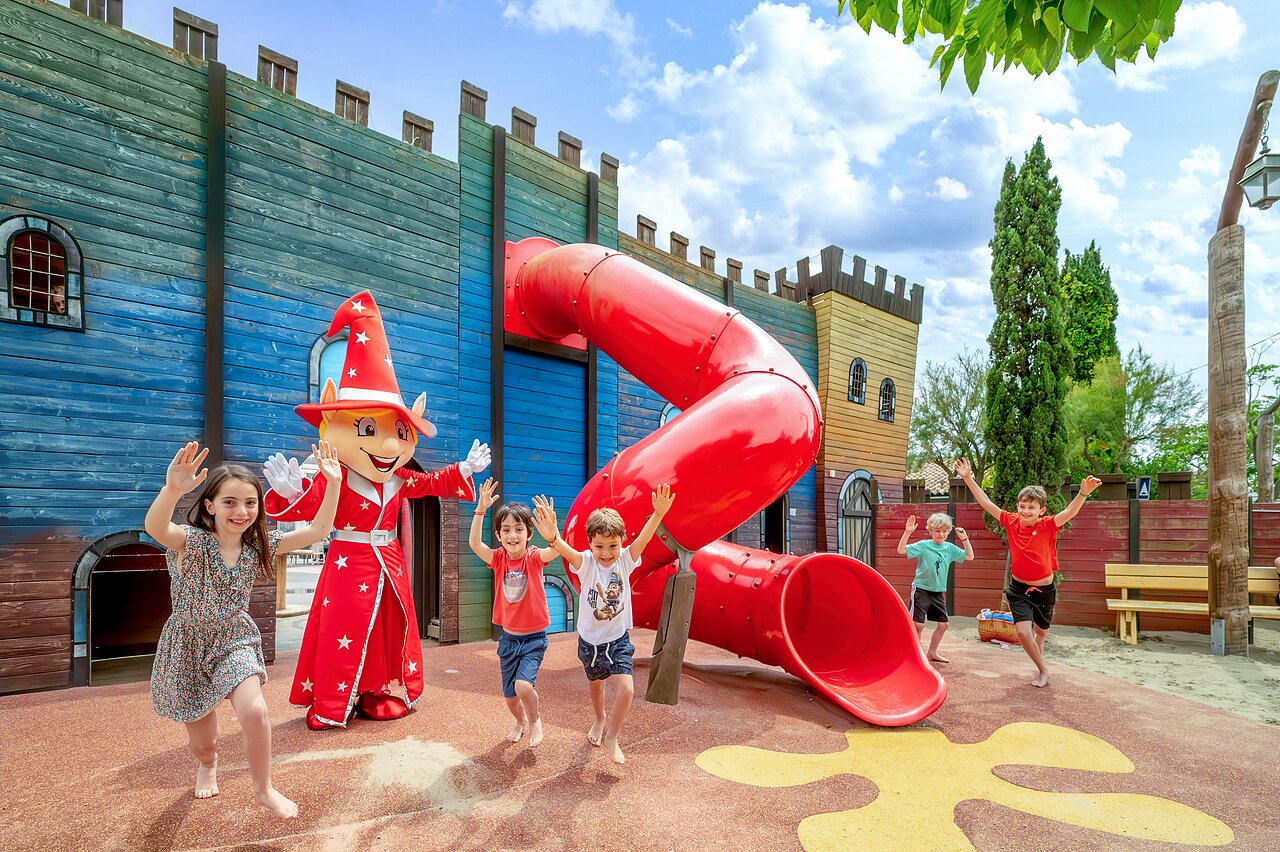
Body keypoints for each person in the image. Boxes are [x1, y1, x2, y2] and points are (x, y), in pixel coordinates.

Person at [145, 440, 342, 817]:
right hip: (187, 643)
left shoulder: (258, 548)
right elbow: (156, 527)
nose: (241, 511)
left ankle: (264, 789)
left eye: (250, 503)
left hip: (233, 639)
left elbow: (319, 530)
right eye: (230, 502)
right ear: (209, 506)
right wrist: (171, 490)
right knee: (204, 741)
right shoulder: (193, 542)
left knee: (255, 712)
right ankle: (207, 764)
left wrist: (332, 484)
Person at [532, 484, 676, 765]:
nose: (607, 552)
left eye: (613, 545)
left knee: (627, 689)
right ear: (590, 544)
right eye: (599, 546)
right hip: (590, 642)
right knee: (596, 685)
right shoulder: (587, 563)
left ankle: (612, 736)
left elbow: (643, 541)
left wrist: (658, 515)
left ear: (621, 541)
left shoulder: (625, 560)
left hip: (618, 639)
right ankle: (599, 718)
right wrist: (553, 538)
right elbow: (569, 553)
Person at [954, 458, 1101, 687]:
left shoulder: (1048, 524)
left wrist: (1082, 493)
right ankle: (1043, 670)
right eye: (1022, 506)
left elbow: (1069, 513)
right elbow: (986, 503)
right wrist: (967, 478)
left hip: (1044, 589)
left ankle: (1038, 650)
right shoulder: (1011, 521)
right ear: (1017, 507)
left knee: (1041, 633)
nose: (1025, 511)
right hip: (1019, 588)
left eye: (1031, 507)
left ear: (1041, 510)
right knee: (1023, 632)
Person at [468, 478, 555, 747]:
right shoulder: (498, 559)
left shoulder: (533, 557)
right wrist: (480, 510)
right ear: (499, 536)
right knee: (509, 697)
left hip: (533, 639)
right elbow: (474, 544)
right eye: (506, 530)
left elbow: (553, 551)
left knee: (523, 686)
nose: (512, 535)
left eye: (519, 529)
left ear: (529, 534)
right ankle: (519, 721)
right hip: (508, 640)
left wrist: (553, 534)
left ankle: (535, 719)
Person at [896, 512, 973, 664]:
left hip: (937, 591)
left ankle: (932, 652)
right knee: (918, 624)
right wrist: (907, 532)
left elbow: (969, 556)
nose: (941, 534)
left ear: (949, 532)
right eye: (937, 531)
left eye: (944, 531)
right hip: (920, 589)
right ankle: (915, 655)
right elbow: (901, 550)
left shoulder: (950, 549)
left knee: (943, 625)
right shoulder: (924, 545)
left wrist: (964, 539)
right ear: (930, 531)